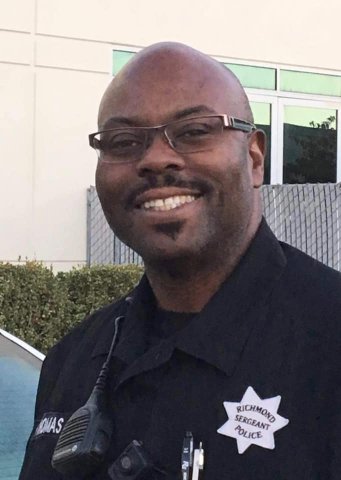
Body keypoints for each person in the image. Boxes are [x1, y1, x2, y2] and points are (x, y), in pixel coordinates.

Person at [19, 42, 341, 480]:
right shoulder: (73, 362)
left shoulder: (328, 342)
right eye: (124, 141)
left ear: (254, 158)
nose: (154, 159)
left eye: (193, 131)